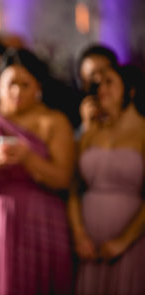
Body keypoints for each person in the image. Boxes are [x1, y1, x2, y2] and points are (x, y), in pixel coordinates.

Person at [0, 48, 75, 295]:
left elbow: (64, 179)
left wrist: (29, 158)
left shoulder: (53, 122)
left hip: (43, 221)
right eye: (11, 83)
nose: (17, 92)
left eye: (26, 84)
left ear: (38, 87)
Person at [68, 64, 145, 294]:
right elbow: (74, 192)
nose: (102, 88)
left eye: (109, 82)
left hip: (131, 244)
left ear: (130, 90)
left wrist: (124, 241)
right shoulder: (90, 133)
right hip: (90, 248)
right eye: (98, 83)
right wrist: (80, 235)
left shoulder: (142, 132)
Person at [75, 44, 119, 136]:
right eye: (92, 75)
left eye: (103, 72)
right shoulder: (81, 113)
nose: (98, 79)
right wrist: (87, 126)